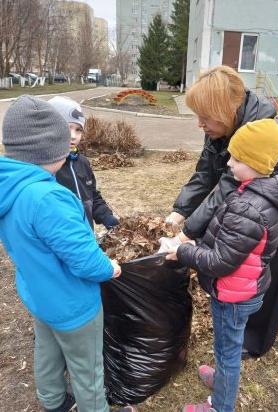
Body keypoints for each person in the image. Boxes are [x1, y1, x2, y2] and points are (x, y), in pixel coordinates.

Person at [165, 65, 278, 358]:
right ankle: (240, 318)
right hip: (262, 200)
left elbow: (227, 189)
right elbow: (206, 171)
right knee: (246, 260)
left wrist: (187, 234)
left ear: (226, 109)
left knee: (273, 269)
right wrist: (179, 211)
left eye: (205, 116)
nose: (199, 123)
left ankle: (254, 341)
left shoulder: (258, 132)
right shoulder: (221, 126)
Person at [0, 96, 135, 412]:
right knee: (87, 369)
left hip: (40, 295)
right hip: (73, 305)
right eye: (65, 136)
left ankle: (53, 402)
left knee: (47, 352)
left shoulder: (11, 188)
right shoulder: (48, 198)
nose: (72, 142)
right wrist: (109, 267)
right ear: (51, 150)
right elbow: (84, 259)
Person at [165, 118, 278, 412]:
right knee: (227, 344)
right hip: (246, 288)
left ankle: (220, 405)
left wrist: (186, 252)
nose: (228, 163)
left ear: (255, 164)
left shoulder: (248, 207)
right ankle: (223, 380)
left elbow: (220, 262)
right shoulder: (259, 194)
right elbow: (232, 245)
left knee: (227, 350)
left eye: (237, 158)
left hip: (233, 295)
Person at [48, 96, 119, 230]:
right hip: (63, 241)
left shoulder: (82, 162)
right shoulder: (47, 168)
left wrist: (106, 216)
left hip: (86, 238)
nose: (73, 136)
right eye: (67, 128)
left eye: (78, 130)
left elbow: (91, 196)